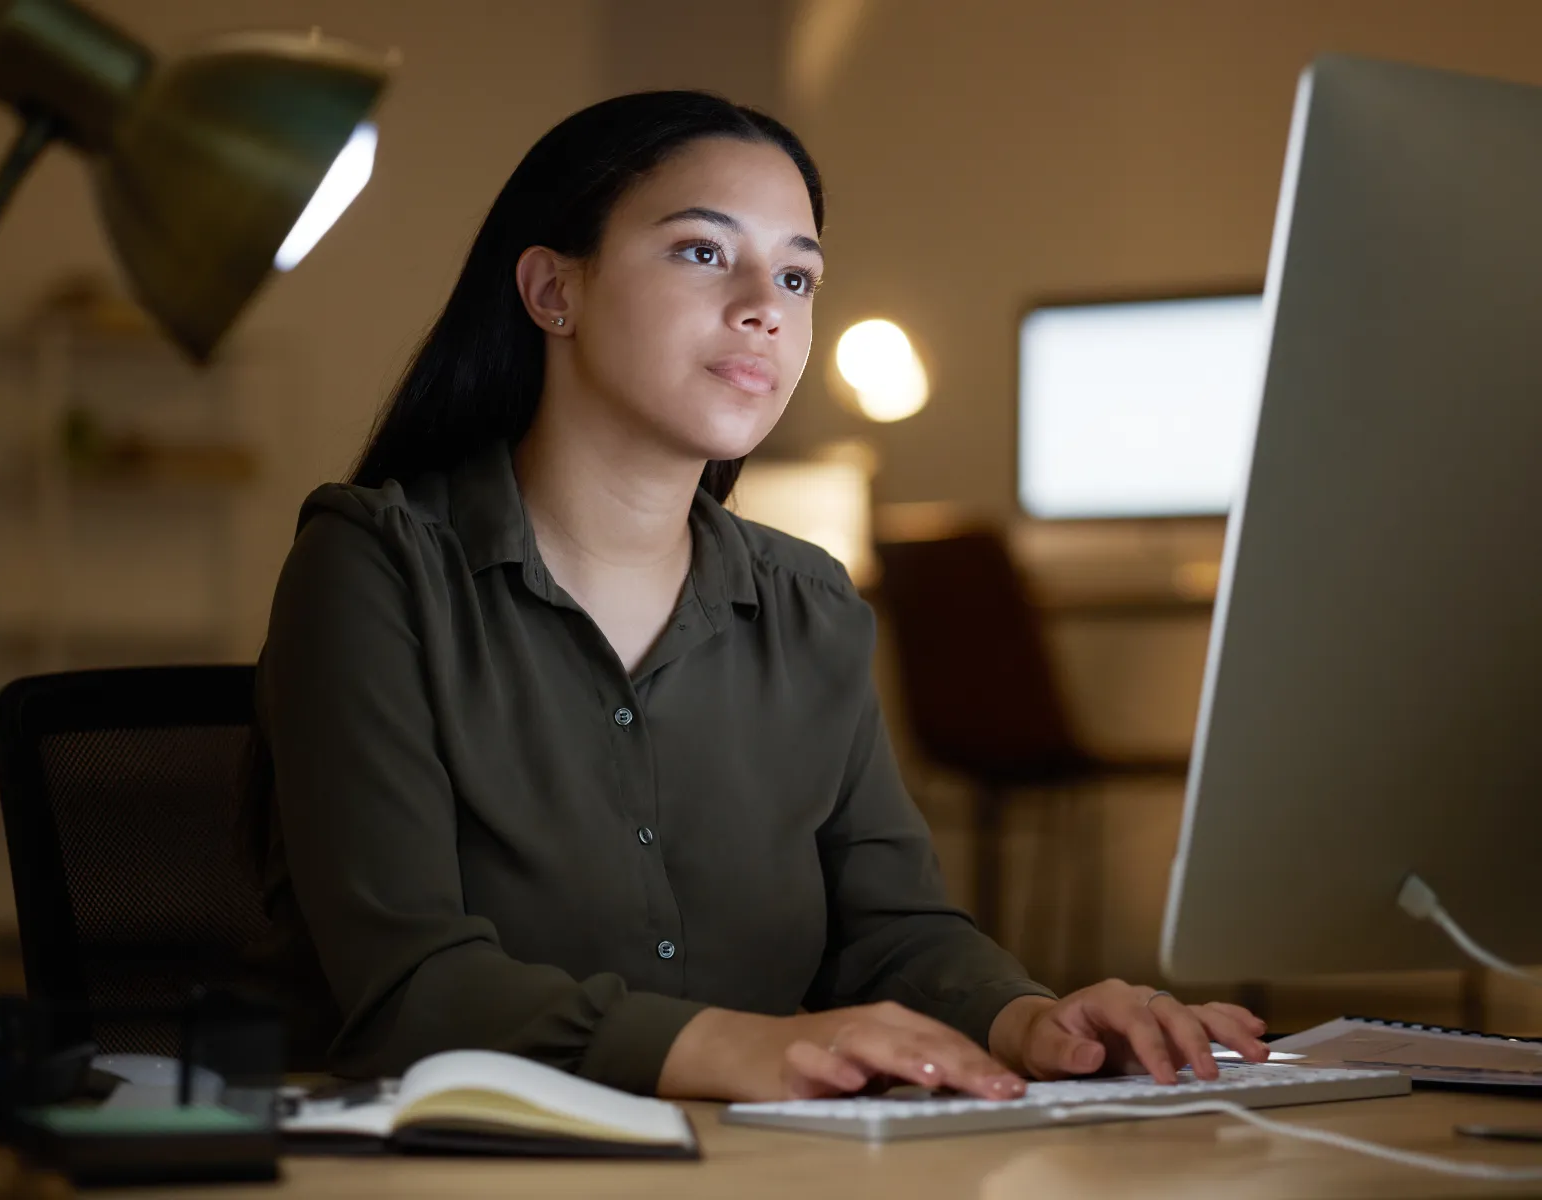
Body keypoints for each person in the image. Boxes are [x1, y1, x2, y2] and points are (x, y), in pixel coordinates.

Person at [247, 90, 1269, 1102]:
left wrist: (1028, 1020)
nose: (764, 305)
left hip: (770, 1160)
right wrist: (733, 1047)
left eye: (795, 274)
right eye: (702, 251)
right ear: (554, 292)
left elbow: (893, 932)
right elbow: (410, 990)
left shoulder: (809, 603)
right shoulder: (373, 566)